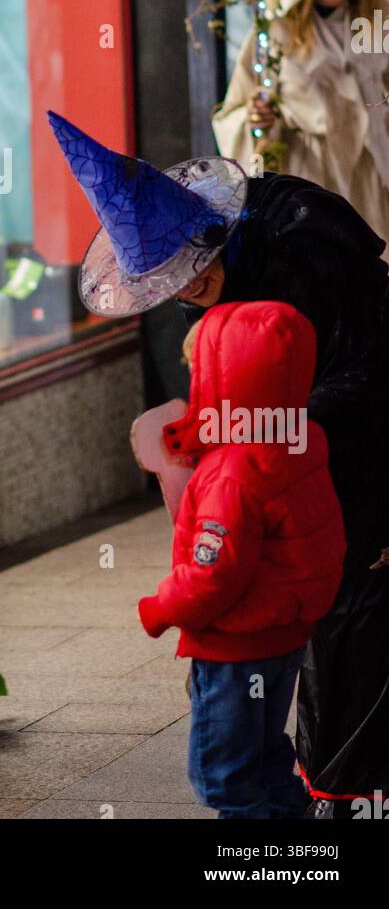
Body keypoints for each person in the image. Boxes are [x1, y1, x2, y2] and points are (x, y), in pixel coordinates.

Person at [48, 111, 389, 818]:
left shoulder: (305, 245)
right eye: (171, 284)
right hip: (287, 483)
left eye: (194, 274)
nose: (187, 289)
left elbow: (214, 570)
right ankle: (320, 798)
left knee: (348, 612)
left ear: (213, 237)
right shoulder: (237, 449)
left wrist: (165, 604)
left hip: (360, 429)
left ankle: (338, 794)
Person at [137, 300, 345, 818]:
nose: (193, 381)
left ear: (226, 379)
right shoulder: (299, 439)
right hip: (283, 639)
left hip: (234, 648)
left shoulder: (233, 472)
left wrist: (161, 607)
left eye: (199, 370)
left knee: (224, 778)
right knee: (268, 757)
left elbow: (214, 575)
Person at [213, 0, 389, 246]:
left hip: (369, 177)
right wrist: (257, 120)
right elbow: (237, 111)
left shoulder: (373, 27)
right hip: (312, 176)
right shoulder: (276, 35)